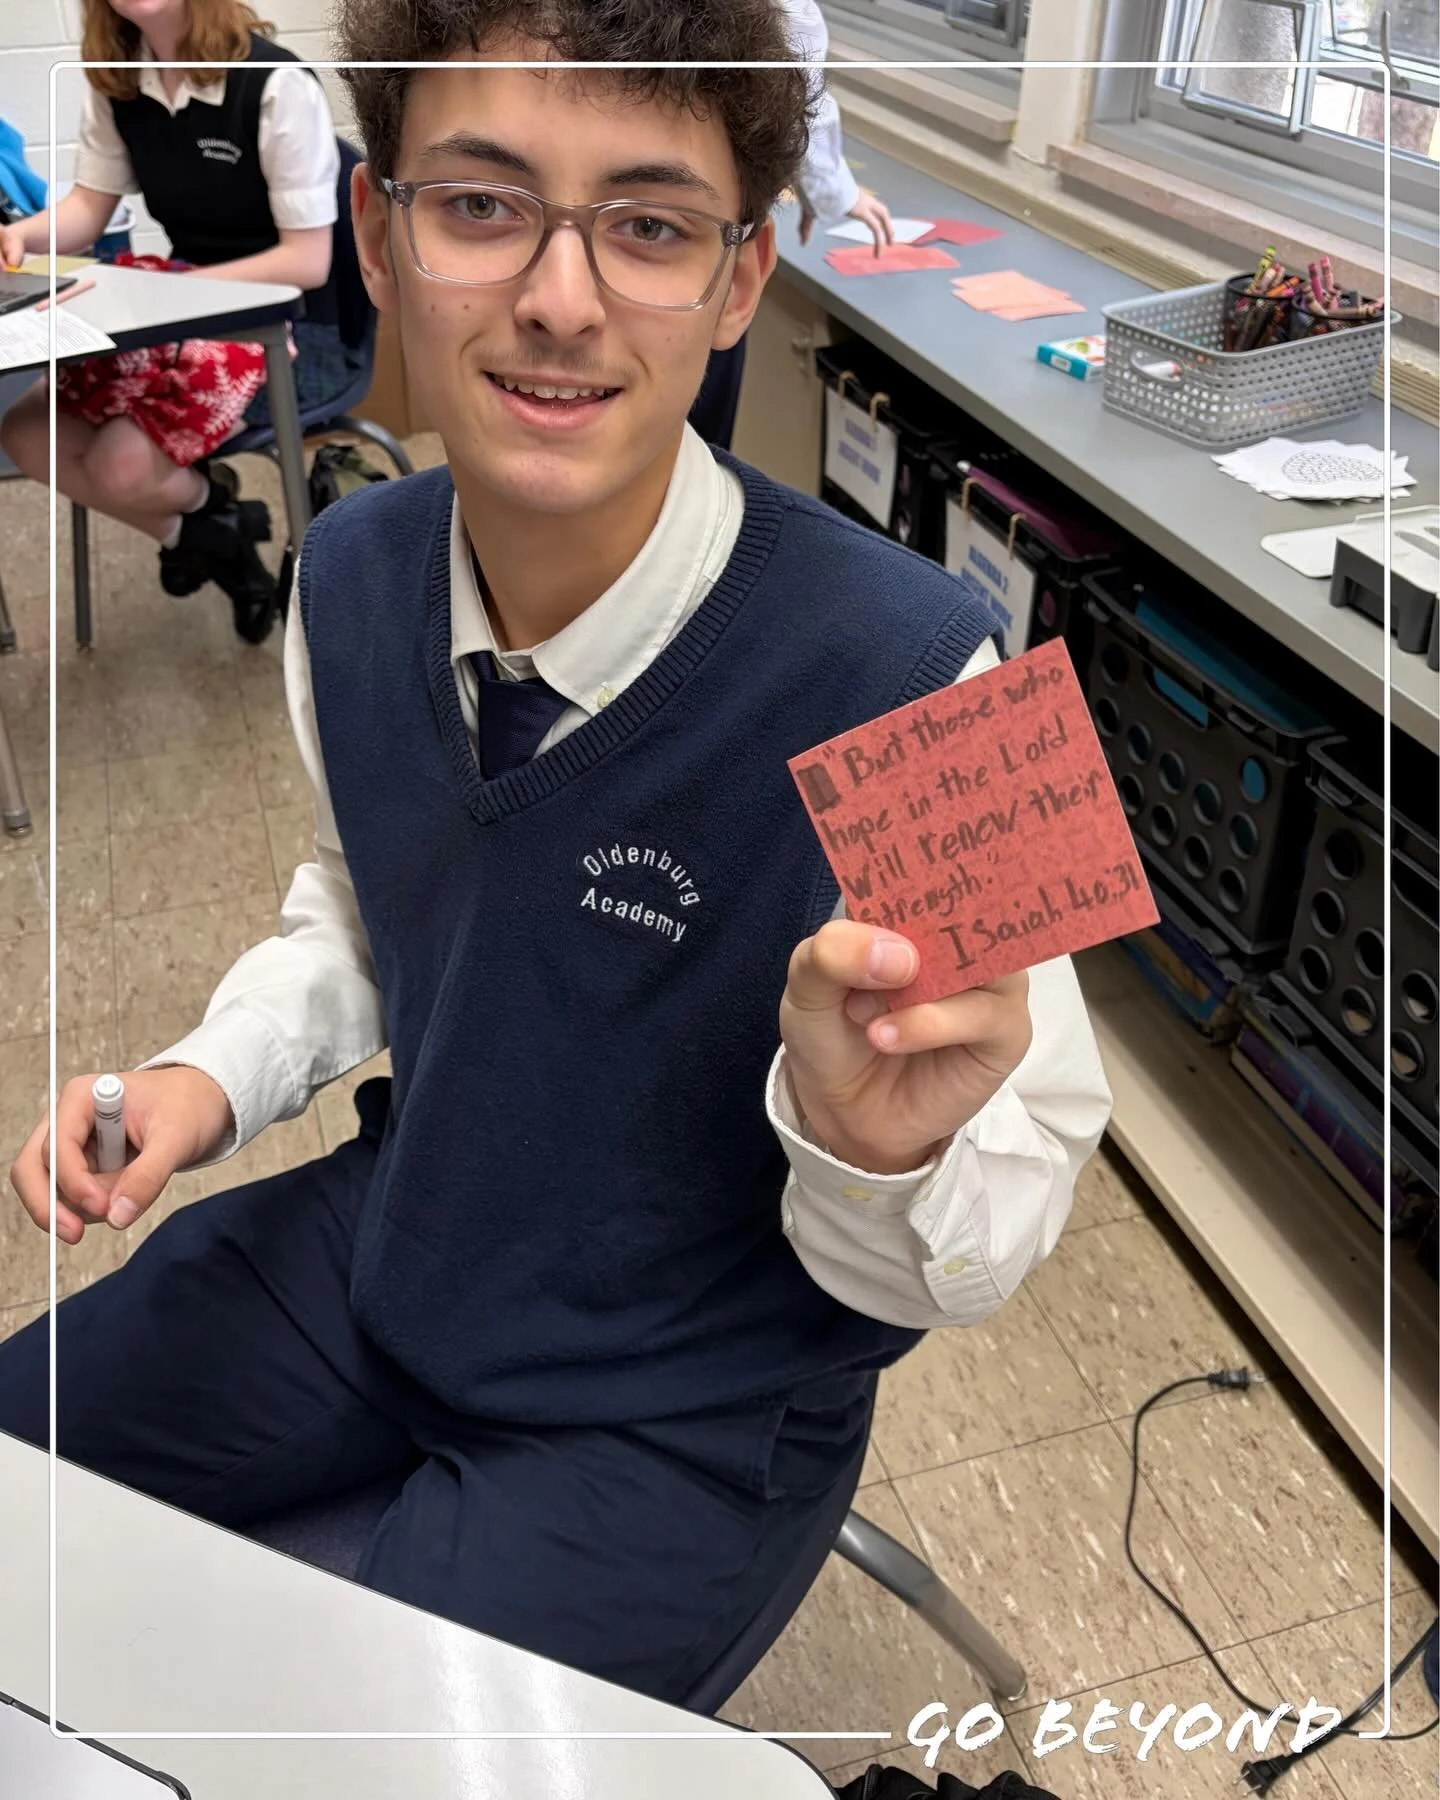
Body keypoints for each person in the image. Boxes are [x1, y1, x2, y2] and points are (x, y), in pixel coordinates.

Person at [1, 0, 1110, 1707]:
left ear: (741, 280)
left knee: (345, 1747)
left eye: (651, 225)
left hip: (696, 1395)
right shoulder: (353, 568)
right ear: (376, 233)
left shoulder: (948, 686)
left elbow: (1008, 1203)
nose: (560, 298)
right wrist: (207, 1076)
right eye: (481, 202)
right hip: (406, 1243)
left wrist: (868, 1151)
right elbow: (371, 906)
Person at [0, 0, 339, 642]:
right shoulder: (122, 77)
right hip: (177, 308)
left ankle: (206, 523)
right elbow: (87, 210)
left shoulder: (275, 84)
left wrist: (173, 292)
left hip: (272, 322)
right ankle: (211, 530)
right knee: (24, 432)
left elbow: (308, 261)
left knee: (119, 467)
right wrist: (18, 237)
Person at [687, 0, 894, 448]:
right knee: (693, 442)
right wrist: (835, 192)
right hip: (691, 250)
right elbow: (798, 85)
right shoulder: (784, 13)